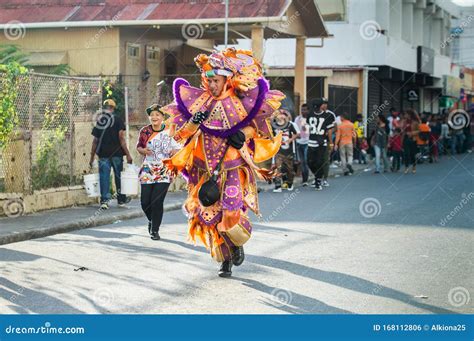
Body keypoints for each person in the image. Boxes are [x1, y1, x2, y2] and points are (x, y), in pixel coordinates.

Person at [161, 48, 284, 277]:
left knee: (230, 210)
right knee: (209, 216)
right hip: (203, 170)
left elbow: (255, 127)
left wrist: (243, 134)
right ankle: (224, 261)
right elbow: (181, 136)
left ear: (227, 79)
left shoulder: (242, 102)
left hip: (232, 167)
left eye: (216, 80)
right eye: (209, 80)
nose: (212, 85)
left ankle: (237, 244)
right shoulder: (199, 102)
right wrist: (192, 125)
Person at [136, 104, 181, 240]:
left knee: (156, 201)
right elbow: (139, 147)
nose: (154, 117)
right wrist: (143, 151)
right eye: (152, 115)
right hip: (148, 169)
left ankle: (155, 230)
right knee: (145, 202)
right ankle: (152, 220)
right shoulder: (145, 131)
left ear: (162, 117)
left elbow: (179, 147)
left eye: (157, 114)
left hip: (164, 169)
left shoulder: (170, 130)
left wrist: (175, 151)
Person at [89, 99, 133, 210]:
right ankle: (121, 200)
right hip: (117, 154)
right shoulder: (118, 120)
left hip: (103, 154)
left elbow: (95, 141)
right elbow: (121, 138)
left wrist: (92, 157)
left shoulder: (99, 121)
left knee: (104, 177)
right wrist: (128, 154)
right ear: (113, 108)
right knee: (118, 176)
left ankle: (104, 201)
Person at [306, 97, 336, 191]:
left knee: (320, 162)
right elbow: (307, 127)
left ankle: (318, 181)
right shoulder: (309, 114)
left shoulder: (328, 116)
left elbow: (330, 131)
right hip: (311, 142)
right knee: (309, 162)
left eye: (316, 106)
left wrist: (331, 143)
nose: (315, 108)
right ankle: (317, 176)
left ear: (320, 106)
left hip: (322, 143)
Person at [272, 109, 300, 192]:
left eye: (283, 114)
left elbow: (298, 134)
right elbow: (271, 135)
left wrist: (290, 140)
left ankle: (290, 183)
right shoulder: (274, 125)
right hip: (278, 151)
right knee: (277, 167)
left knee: (289, 169)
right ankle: (277, 186)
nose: (281, 116)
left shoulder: (291, 124)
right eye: (279, 114)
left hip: (289, 150)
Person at [294, 103, 309, 186]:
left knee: (307, 161)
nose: (303, 111)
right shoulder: (297, 119)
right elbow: (295, 129)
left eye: (305, 110)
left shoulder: (310, 119)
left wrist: (305, 126)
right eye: (302, 110)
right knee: (302, 162)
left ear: (308, 110)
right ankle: (305, 180)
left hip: (308, 143)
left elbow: (308, 131)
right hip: (299, 143)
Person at [401, 109, 420, 174]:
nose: (405, 115)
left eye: (406, 114)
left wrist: (411, 133)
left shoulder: (415, 122)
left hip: (412, 139)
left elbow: (419, 131)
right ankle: (406, 167)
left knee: (412, 154)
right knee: (406, 154)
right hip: (405, 138)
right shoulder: (404, 121)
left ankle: (414, 166)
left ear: (409, 115)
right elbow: (402, 130)